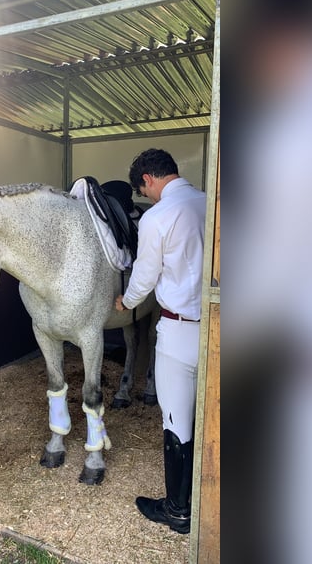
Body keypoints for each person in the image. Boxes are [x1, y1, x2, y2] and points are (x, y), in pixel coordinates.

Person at [115, 148, 206, 533]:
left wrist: (126, 301)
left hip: (179, 330)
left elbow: (144, 275)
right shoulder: (209, 203)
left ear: (148, 180)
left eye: (143, 190)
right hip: (217, 327)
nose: (145, 197)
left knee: (176, 420)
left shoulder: (157, 217)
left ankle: (177, 511)